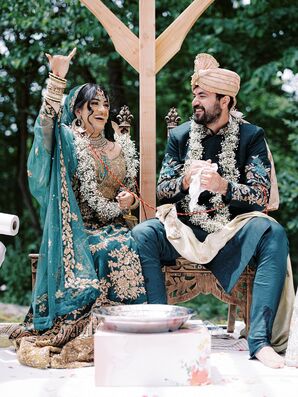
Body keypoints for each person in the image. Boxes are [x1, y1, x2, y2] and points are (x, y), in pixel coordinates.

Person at [132, 53, 294, 369]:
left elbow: (260, 195)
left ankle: (259, 342)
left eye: (203, 95)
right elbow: (162, 190)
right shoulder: (180, 136)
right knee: (142, 234)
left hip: (231, 229)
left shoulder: (251, 136)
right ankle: (160, 329)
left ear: (225, 100)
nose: (195, 100)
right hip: (185, 228)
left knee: (273, 232)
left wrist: (223, 186)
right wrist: (186, 179)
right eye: (195, 93)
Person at [9, 48, 146, 368]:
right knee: (104, 248)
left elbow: (129, 188)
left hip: (115, 222)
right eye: (93, 104)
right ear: (78, 110)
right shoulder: (69, 140)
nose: (101, 109)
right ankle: (87, 323)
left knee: (128, 242)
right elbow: (45, 129)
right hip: (75, 228)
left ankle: (127, 324)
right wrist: (56, 80)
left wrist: (129, 198)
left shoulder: (120, 147)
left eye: (105, 103)